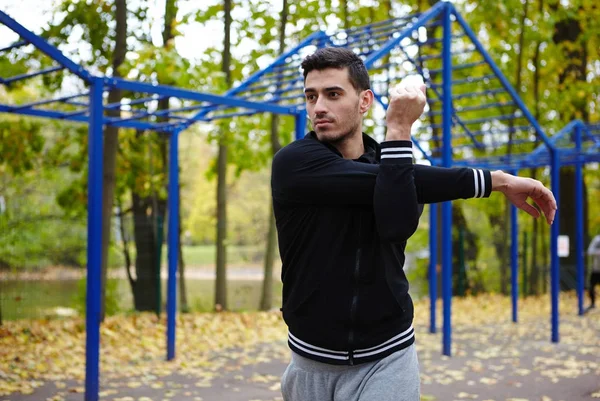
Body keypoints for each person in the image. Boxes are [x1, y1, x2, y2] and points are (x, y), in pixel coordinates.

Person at [270, 47, 557, 401]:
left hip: (389, 354)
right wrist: (496, 181)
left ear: (364, 102)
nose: (319, 108)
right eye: (311, 96)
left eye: (332, 94)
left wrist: (399, 131)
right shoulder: (294, 163)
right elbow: (396, 178)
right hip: (311, 363)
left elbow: (396, 224)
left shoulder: (397, 166)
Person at [587, 234, 600, 309]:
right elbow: (590, 251)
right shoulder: (597, 239)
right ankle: (592, 304)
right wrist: (597, 252)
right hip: (596, 269)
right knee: (591, 286)